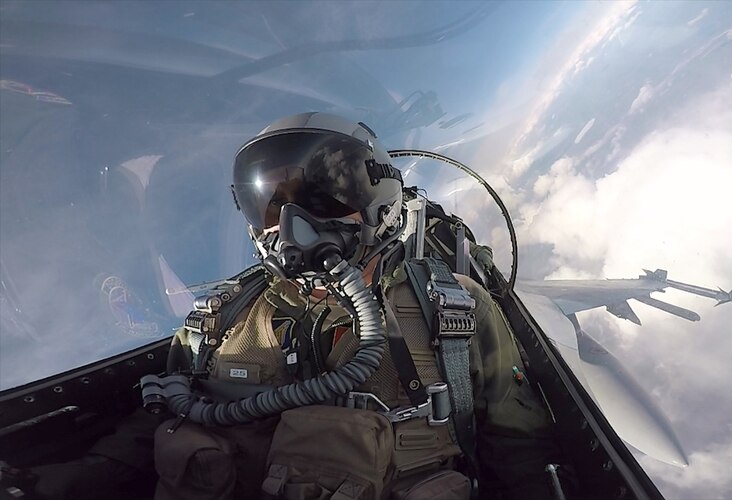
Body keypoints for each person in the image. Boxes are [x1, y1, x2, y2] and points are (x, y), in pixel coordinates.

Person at [31, 112, 563, 500]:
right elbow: (166, 413)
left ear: (378, 204)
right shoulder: (219, 321)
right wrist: (83, 474)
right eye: (271, 205)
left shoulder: (454, 313)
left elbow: (518, 450)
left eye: (323, 199)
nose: (289, 225)